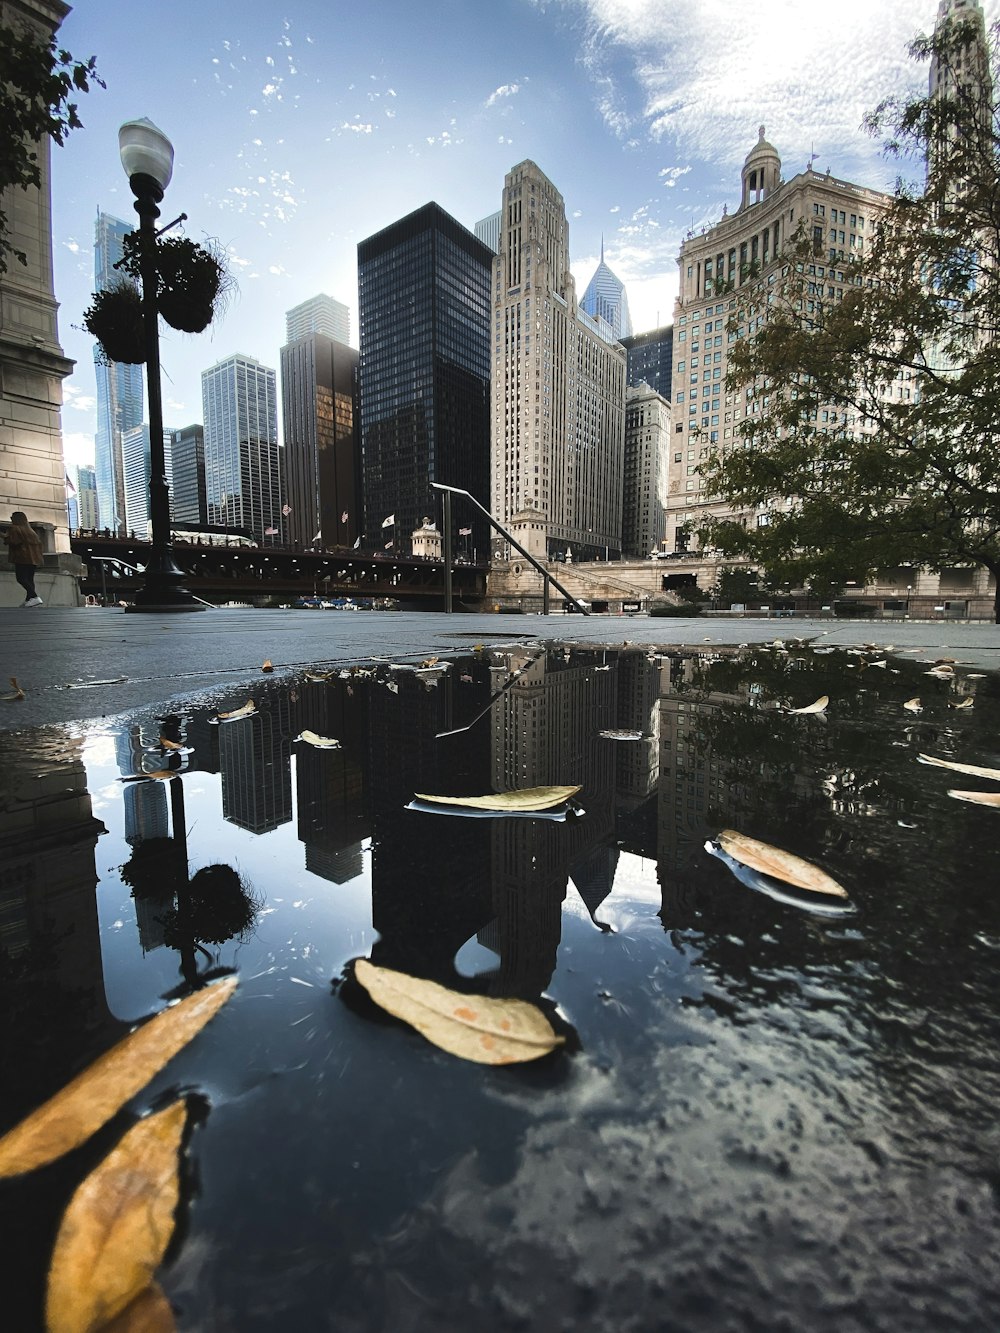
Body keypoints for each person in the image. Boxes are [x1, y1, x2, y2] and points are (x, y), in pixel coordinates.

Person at [4, 511, 44, 606]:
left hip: (22, 558)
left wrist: (4, 536)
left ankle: (34, 597)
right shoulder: (31, 531)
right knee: (29, 579)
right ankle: (29, 599)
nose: (11, 518)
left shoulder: (15, 528)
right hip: (34, 559)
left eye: (12, 517)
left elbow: (14, 541)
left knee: (21, 578)